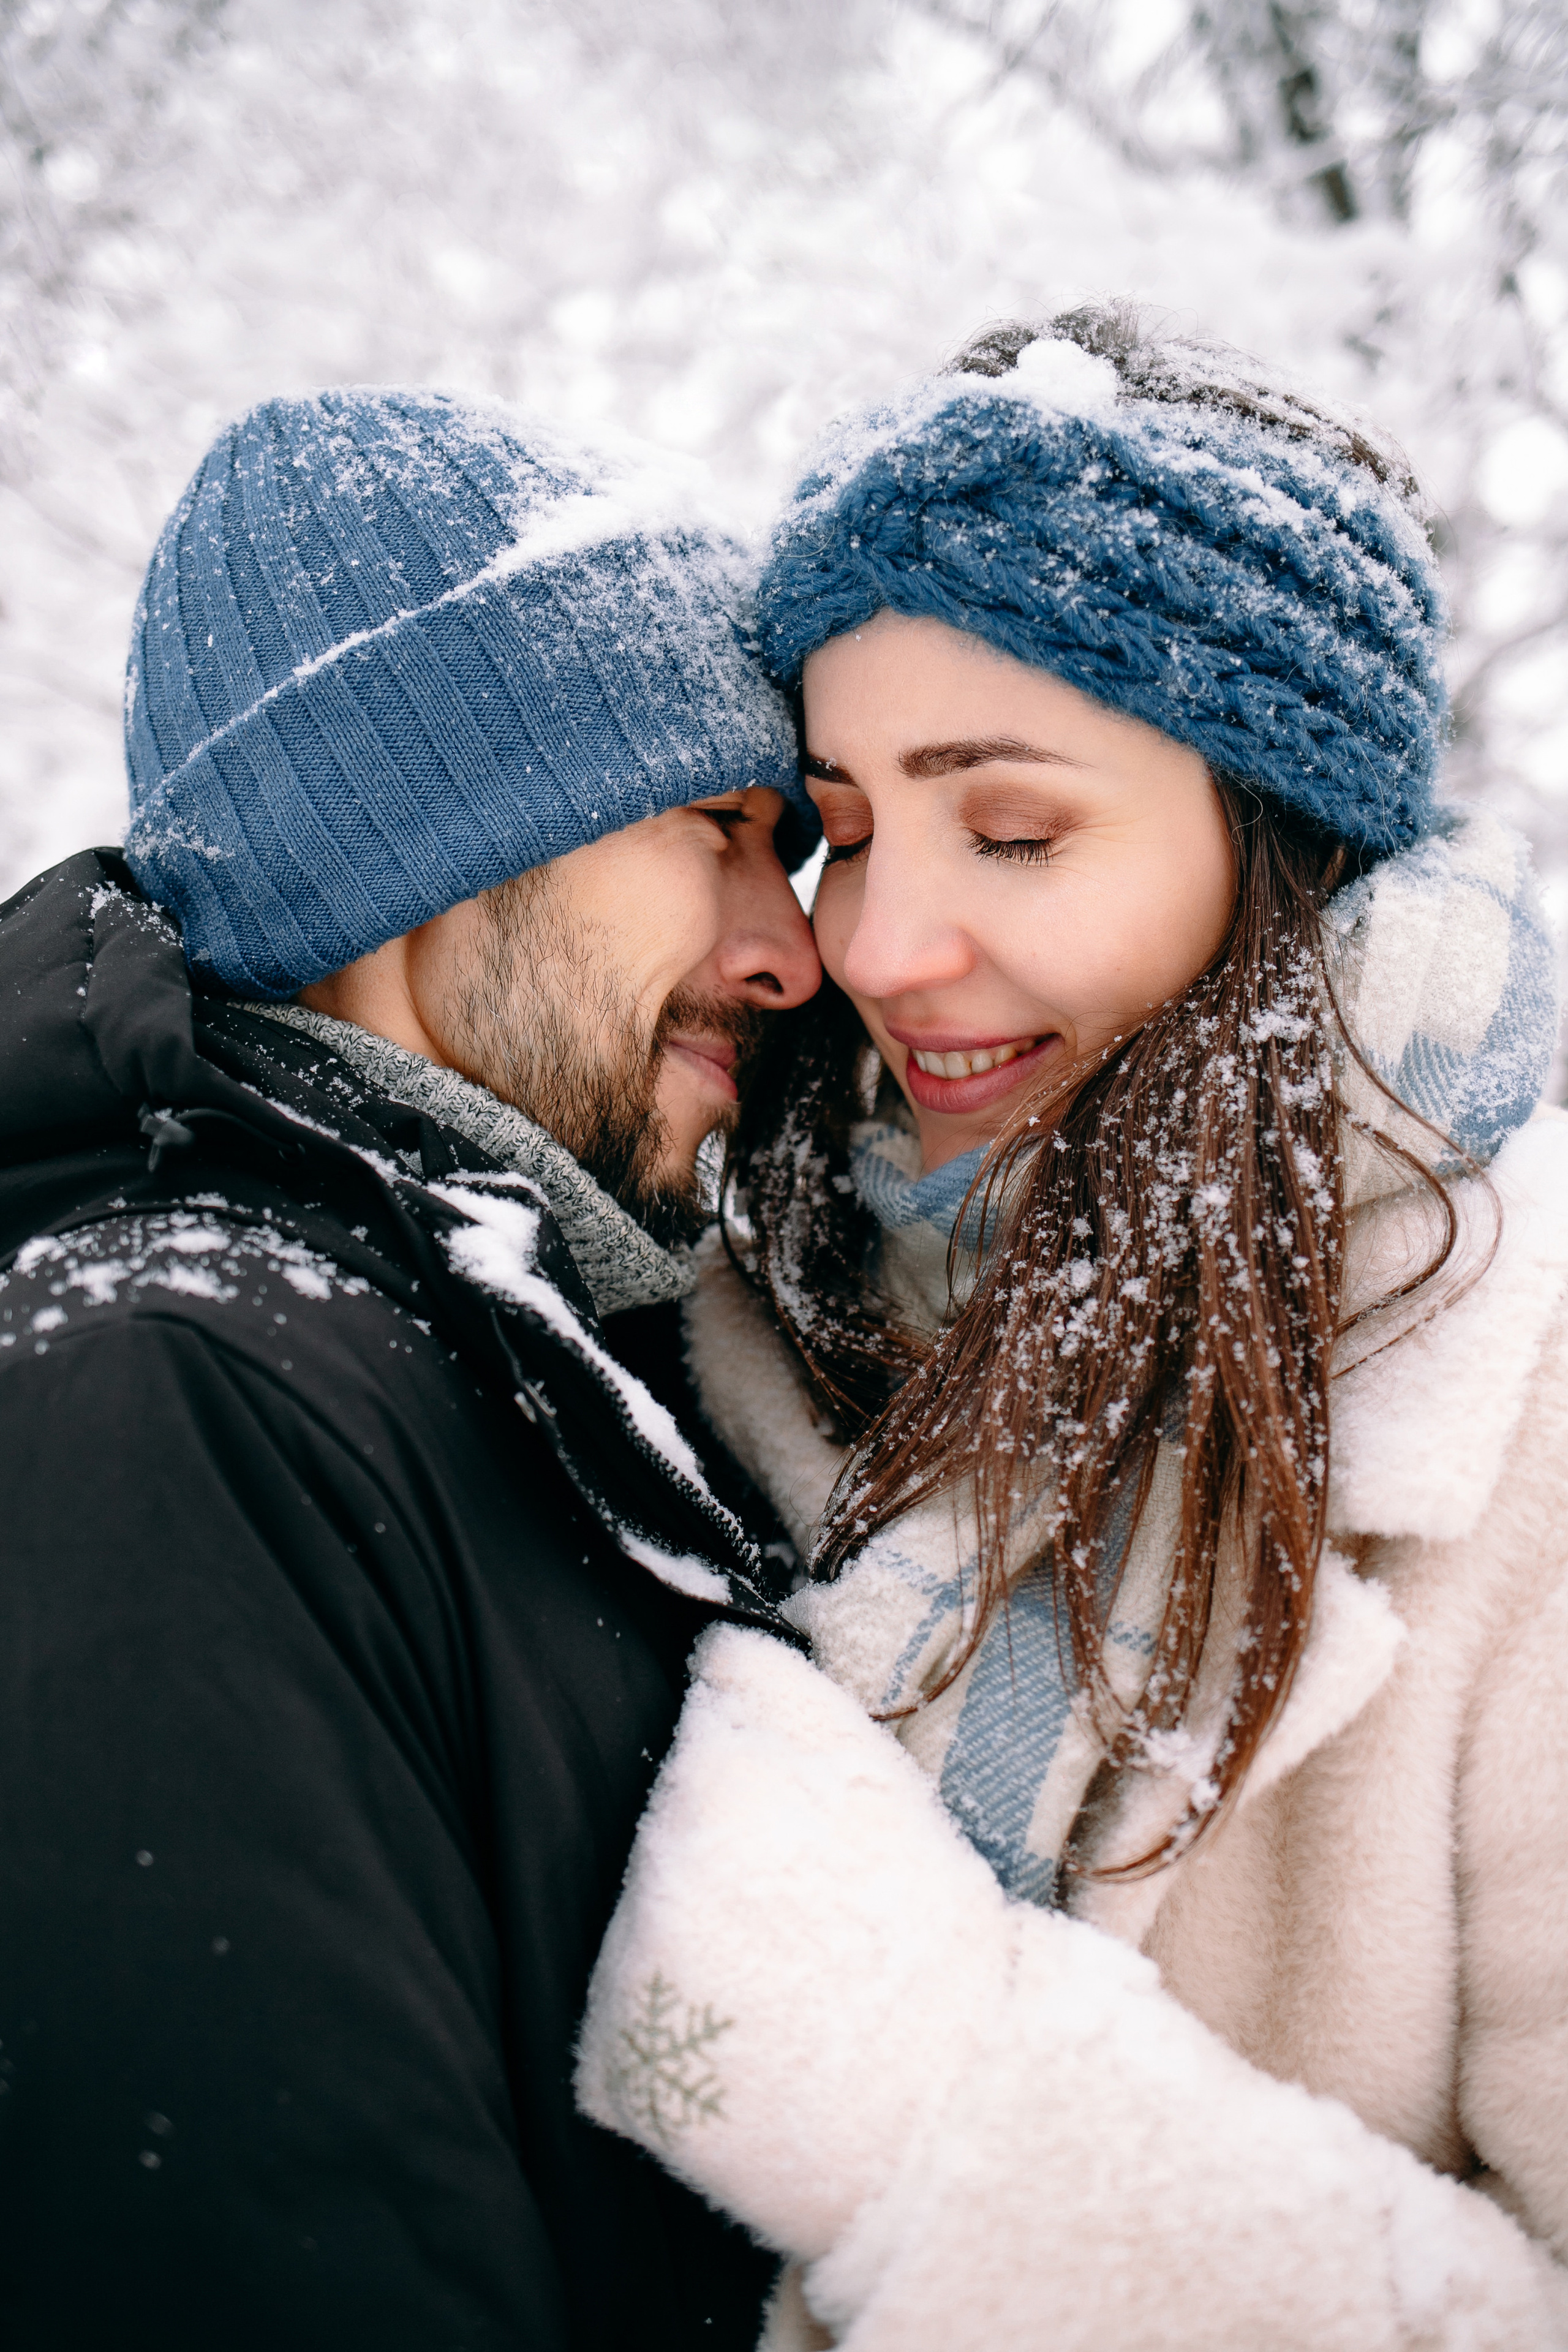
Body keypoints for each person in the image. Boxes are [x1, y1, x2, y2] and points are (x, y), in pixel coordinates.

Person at [576, 309, 1568, 2347]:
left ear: (1278, 845)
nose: (871, 942)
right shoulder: (747, 1299)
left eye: (1012, 830)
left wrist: (924, 2108)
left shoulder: (1527, 1403)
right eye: (843, 825)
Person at [0, 387, 822, 2350]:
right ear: (427, 845)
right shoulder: (168, 1396)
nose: (791, 950)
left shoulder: (522, 1363)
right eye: (716, 827)